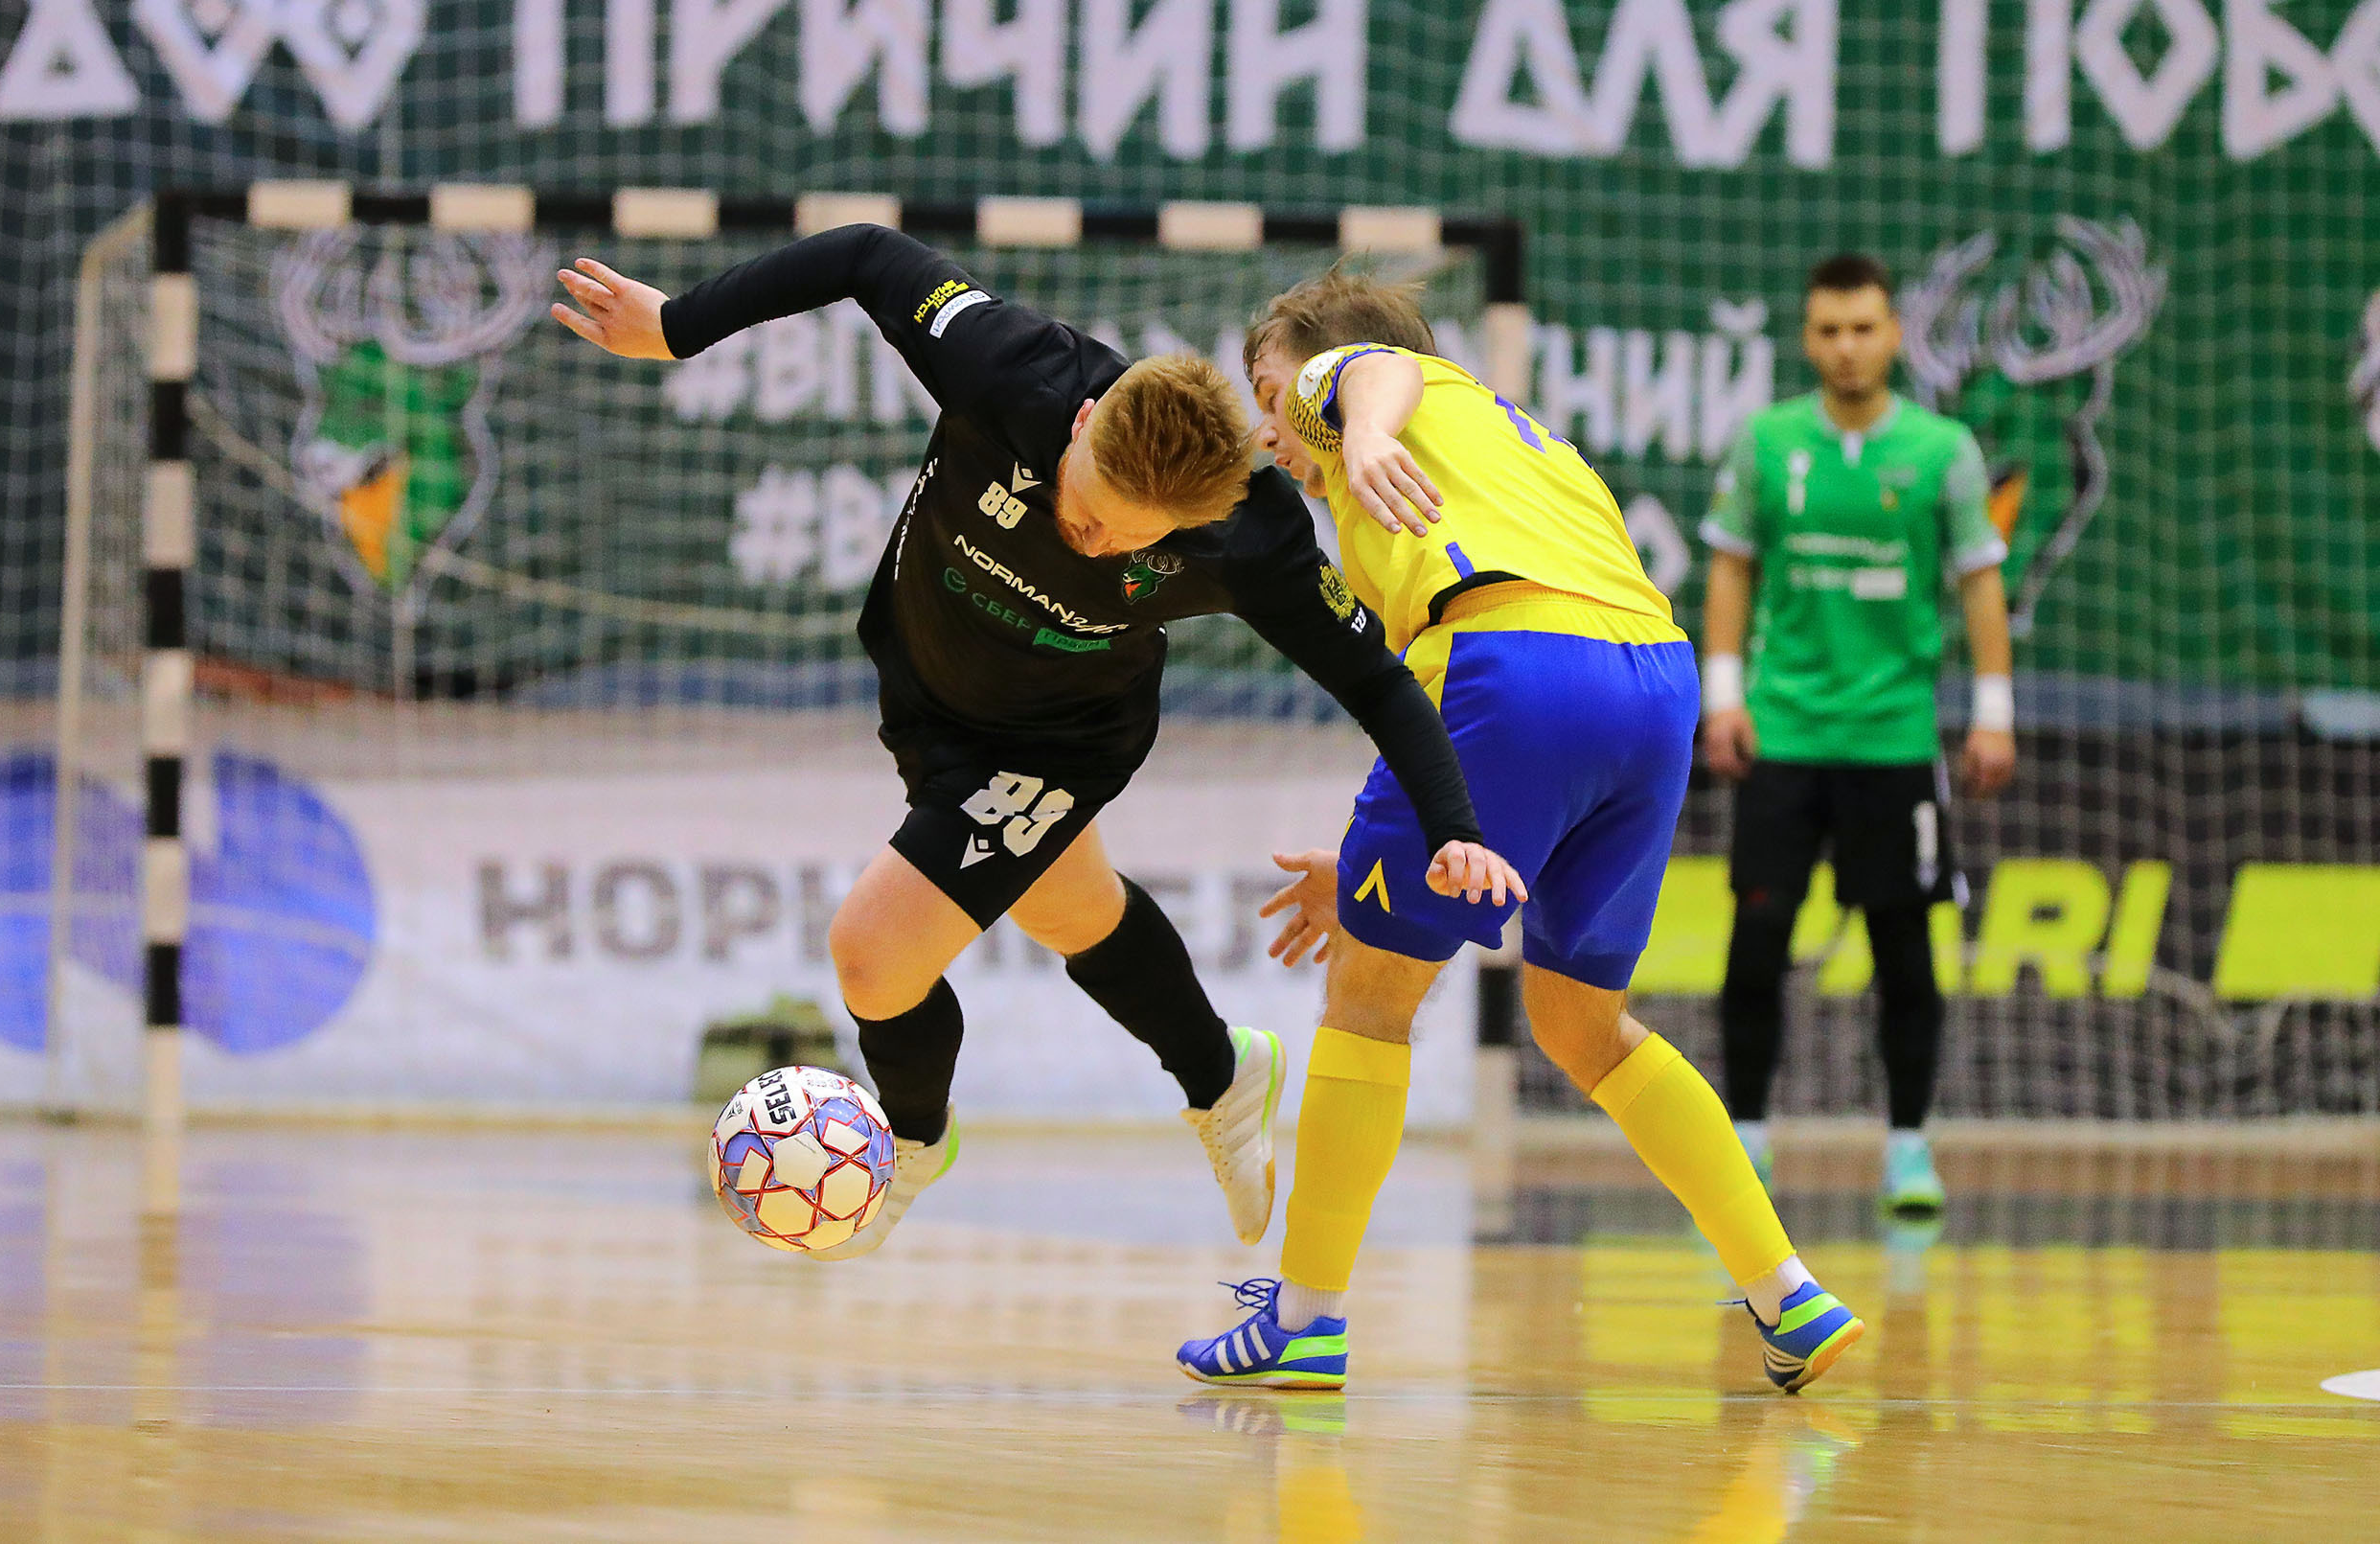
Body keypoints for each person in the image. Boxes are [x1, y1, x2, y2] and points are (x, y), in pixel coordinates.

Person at [550, 228, 1522, 1259]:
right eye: (1084, 501)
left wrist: (1454, 829)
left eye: (1118, 537)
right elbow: (866, 256)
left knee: (872, 957)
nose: (1083, 534)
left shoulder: (1249, 538)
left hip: (1059, 742)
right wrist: (679, 325)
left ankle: (913, 1140)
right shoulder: (1014, 366)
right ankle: (1221, 1071)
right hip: (926, 689)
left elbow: (1377, 682)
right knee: (1073, 911)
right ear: (1087, 419)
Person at [1177, 268, 1862, 1394]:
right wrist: (1370, 862)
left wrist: (1356, 427)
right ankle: (1787, 1293)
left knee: (1366, 997)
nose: (1269, 426)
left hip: (1514, 662)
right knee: (1582, 1025)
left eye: (1271, 391)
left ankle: (1302, 1320)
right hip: (1652, 688)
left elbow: (1370, 372)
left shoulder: (1364, 393)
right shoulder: (1512, 439)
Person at [1699, 253, 2016, 1213]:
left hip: (1893, 739)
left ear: (1894, 335)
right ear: (1807, 338)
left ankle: (1909, 1150)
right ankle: (1745, 1140)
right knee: (1757, 941)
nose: (1847, 347)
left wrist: (1992, 713)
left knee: (1904, 952)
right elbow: (1731, 568)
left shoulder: (1943, 450)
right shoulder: (1765, 442)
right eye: (1829, 330)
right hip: (1785, 732)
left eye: (1864, 328)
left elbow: (1979, 582)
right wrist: (1724, 696)